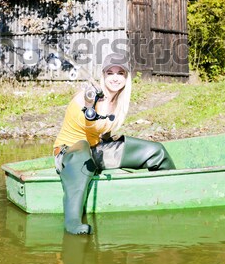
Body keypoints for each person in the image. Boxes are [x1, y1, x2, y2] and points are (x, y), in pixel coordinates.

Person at [53, 53, 176, 235]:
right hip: (69, 154)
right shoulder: (87, 97)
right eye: (110, 73)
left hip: (96, 152)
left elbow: (102, 133)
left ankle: (173, 190)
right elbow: (90, 126)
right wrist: (89, 107)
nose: (115, 78)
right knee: (82, 149)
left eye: (120, 73)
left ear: (126, 78)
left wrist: (110, 140)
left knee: (156, 150)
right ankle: (72, 222)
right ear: (103, 76)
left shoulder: (118, 103)